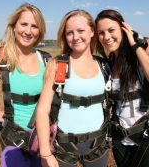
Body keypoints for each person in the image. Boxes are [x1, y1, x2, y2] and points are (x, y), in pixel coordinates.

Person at [0, 3, 51, 167]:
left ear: (40, 31)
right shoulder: (1, 60)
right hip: (13, 139)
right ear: (14, 26)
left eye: (34, 26)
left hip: (42, 139)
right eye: (24, 24)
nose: (28, 31)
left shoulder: (46, 60)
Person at [95, 9, 149, 167]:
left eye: (111, 30)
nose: (106, 37)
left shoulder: (145, 47)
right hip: (121, 141)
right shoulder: (109, 63)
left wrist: (135, 46)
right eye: (101, 33)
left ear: (124, 28)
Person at [36, 9, 109, 167]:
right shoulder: (59, 65)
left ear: (92, 32)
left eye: (81, 31)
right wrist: (45, 153)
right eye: (70, 33)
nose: (76, 37)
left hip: (98, 146)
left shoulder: (104, 65)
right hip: (64, 148)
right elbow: (42, 110)